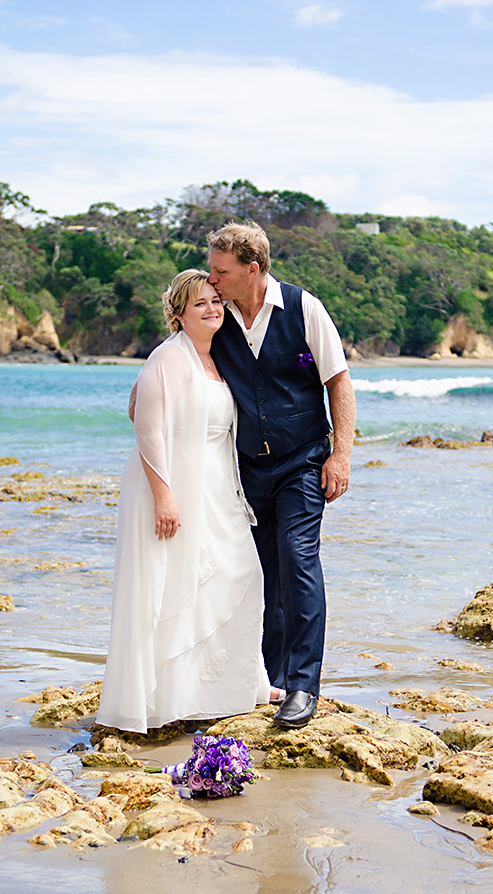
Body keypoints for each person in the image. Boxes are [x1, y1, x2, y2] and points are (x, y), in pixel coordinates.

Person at [127, 221, 356, 729]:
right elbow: (155, 386)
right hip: (244, 468)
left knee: (296, 562)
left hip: (302, 461)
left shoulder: (304, 308)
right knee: (257, 575)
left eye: (220, 270)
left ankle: (303, 686)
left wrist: (341, 455)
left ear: (251, 270)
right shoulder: (218, 316)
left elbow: (338, 382)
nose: (212, 278)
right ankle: (266, 679)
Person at [97, 270, 276, 733]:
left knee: (238, 574)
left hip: (218, 490)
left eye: (216, 300)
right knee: (175, 586)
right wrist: (164, 498)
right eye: (200, 304)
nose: (212, 309)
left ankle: (236, 684)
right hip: (176, 489)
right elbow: (146, 426)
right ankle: (172, 694)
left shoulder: (216, 358)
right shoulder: (170, 357)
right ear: (178, 314)